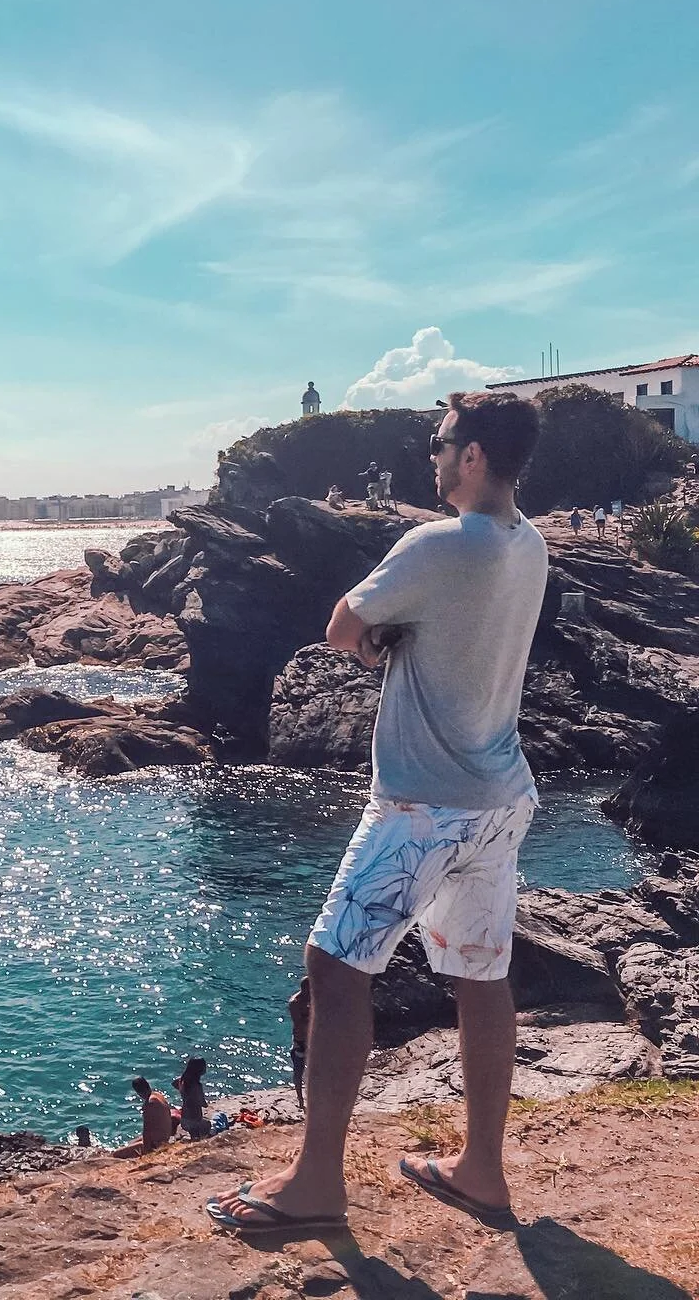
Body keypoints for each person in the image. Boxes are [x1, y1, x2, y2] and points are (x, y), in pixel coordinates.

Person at [210, 390, 546, 1238]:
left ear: (473, 454)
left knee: (334, 965)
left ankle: (316, 1182)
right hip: (501, 797)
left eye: (440, 443)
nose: (432, 457)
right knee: (481, 974)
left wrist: (372, 643)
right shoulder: (529, 544)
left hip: (423, 803)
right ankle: (482, 1169)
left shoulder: (440, 542)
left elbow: (340, 626)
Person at [287, 978, 311, 1111]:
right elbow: (299, 1023)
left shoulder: (312, 999)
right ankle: (300, 1099)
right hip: (300, 1042)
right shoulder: (295, 1003)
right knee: (298, 1071)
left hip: (312, 1040)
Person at [131, 1076, 172, 1153]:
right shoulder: (157, 1095)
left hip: (157, 1143)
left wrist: (146, 1150)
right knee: (131, 1143)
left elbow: (147, 1129)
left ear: (137, 1091)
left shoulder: (150, 1103)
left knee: (116, 1154)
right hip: (165, 1136)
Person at [174, 1057, 210, 1139]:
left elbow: (174, 1084)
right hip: (195, 1121)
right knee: (209, 1125)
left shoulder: (182, 1081)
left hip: (184, 1120)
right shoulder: (197, 1086)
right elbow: (203, 1104)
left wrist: (183, 1093)